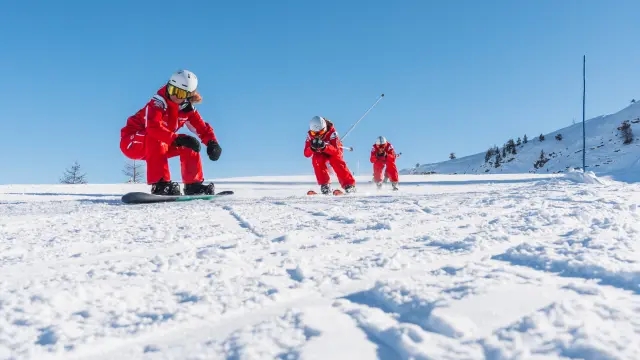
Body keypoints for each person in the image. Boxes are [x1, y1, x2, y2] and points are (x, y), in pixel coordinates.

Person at [120, 70, 222, 195]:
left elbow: (202, 129)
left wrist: (212, 143)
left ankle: (193, 185)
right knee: (157, 136)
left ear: (188, 95)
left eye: (179, 92)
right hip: (132, 142)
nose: (174, 95)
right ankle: (161, 184)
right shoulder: (158, 102)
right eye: (172, 89)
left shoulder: (186, 109)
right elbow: (153, 127)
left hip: (159, 147)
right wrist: (176, 139)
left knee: (190, 143)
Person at [304, 116, 356, 195]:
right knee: (317, 159)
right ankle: (325, 186)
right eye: (314, 133)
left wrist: (325, 147)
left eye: (320, 132)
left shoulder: (332, 133)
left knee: (336, 160)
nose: (318, 136)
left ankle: (349, 185)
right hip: (320, 153)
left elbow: (336, 152)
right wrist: (311, 148)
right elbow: (306, 154)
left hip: (332, 151)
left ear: (324, 129)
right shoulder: (310, 136)